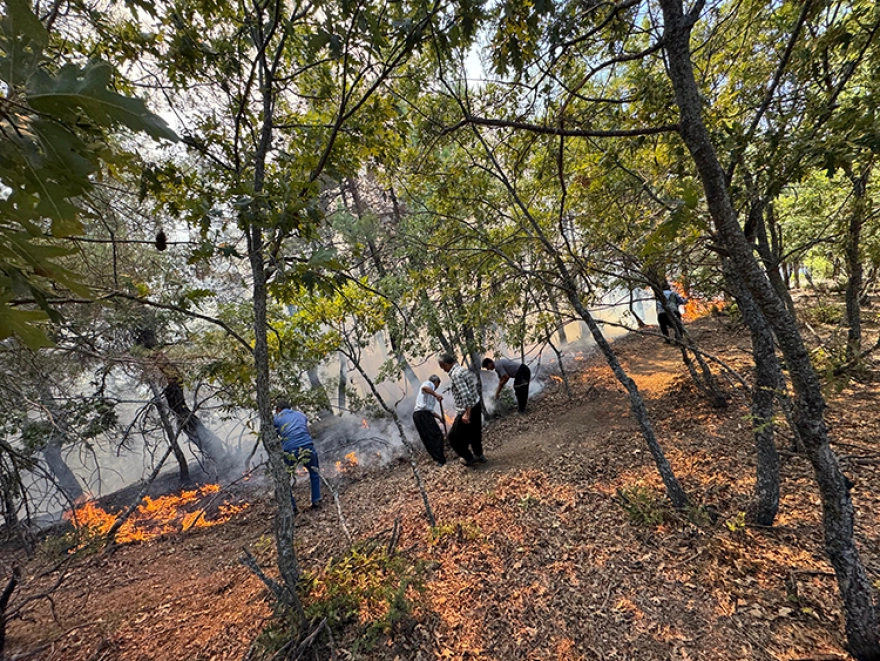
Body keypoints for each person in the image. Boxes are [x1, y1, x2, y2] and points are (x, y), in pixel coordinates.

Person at [438, 353, 485, 466]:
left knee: (452, 438)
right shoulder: (462, 370)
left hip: (466, 410)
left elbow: (466, 395)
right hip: (476, 405)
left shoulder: (455, 374)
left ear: (446, 364)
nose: (443, 370)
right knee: (475, 433)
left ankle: (468, 458)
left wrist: (466, 414)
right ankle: (479, 455)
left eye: (442, 366)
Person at [273, 400, 321, 511]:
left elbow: (272, 431)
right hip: (308, 446)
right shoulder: (300, 414)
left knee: (285, 479)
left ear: (278, 409)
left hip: (290, 450)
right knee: (314, 473)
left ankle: (292, 507)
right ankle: (316, 500)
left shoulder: (277, 417)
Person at [412, 375, 447, 465]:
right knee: (437, 435)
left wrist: (440, 418)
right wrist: (436, 395)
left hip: (421, 415)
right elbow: (424, 388)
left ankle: (438, 459)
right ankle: (440, 459)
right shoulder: (429, 384)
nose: (436, 388)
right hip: (422, 414)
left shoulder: (431, 395)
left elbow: (430, 411)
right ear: (436, 382)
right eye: (438, 385)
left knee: (429, 437)